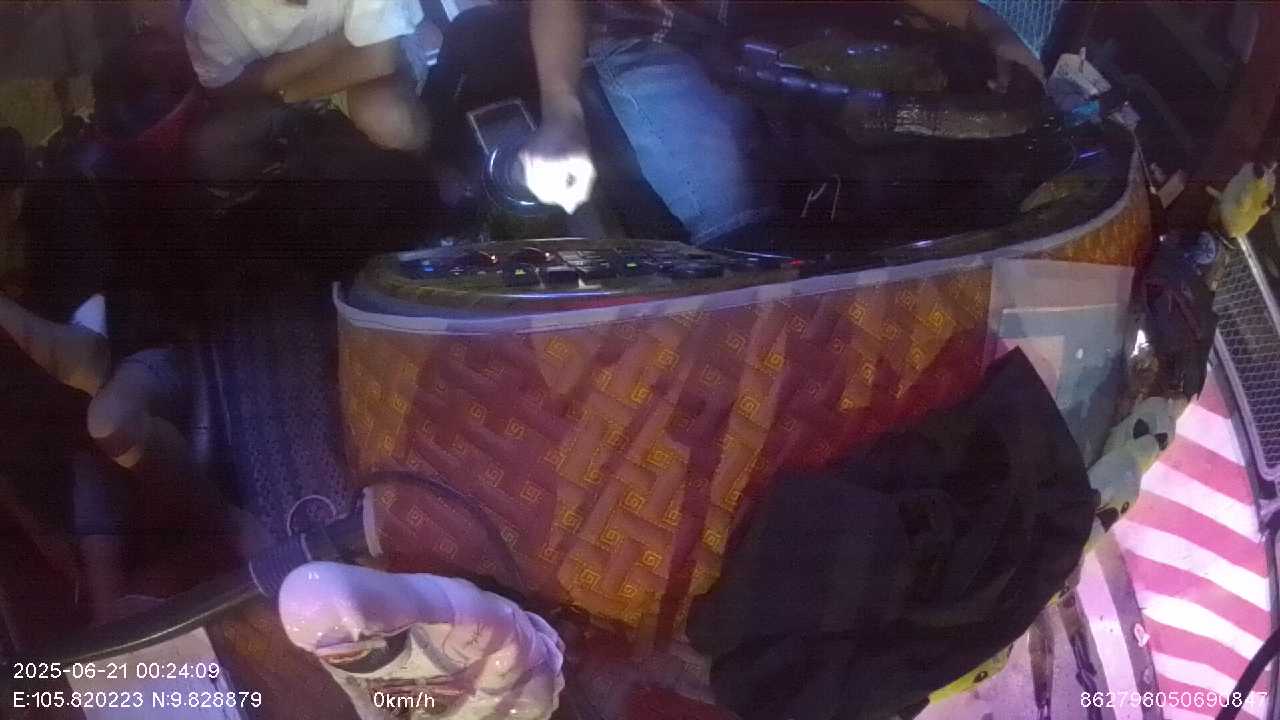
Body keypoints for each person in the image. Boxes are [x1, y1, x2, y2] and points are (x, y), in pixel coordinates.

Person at [521, 0, 1046, 246]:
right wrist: (562, 114)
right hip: (659, 36)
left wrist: (993, 30)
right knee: (734, 208)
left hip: (786, 35)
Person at [184, 0, 436, 185]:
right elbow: (226, 88)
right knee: (212, 148)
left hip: (355, 78)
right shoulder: (210, 12)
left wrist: (286, 93)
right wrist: (337, 43)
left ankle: (427, 182)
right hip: (281, 91)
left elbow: (377, 60)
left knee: (390, 119)